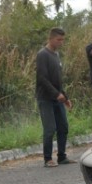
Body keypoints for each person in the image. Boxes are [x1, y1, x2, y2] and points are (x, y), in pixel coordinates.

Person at [35, 27, 74, 167]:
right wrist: (56, 94)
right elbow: (42, 79)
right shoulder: (42, 54)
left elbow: (58, 80)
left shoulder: (56, 55)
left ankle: (62, 157)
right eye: (59, 40)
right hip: (45, 98)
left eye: (63, 40)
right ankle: (47, 159)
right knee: (50, 128)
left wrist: (65, 96)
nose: (61, 42)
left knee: (63, 127)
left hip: (58, 98)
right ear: (50, 39)